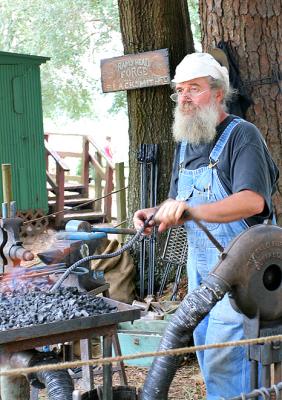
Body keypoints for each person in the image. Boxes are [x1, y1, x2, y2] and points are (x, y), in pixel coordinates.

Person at [133, 52, 279, 399]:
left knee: (224, 359)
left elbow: (252, 201)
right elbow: (178, 204)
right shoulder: (185, 145)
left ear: (217, 93)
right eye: (180, 90)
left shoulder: (243, 136)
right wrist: (156, 214)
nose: (184, 97)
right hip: (201, 270)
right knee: (203, 347)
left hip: (243, 270)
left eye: (194, 89)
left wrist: (192, 212)